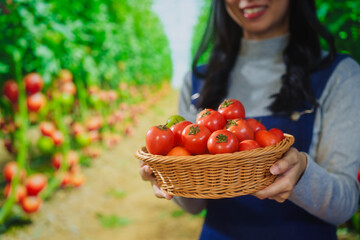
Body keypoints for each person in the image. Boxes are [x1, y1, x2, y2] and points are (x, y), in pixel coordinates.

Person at [140, 0, 360, 239]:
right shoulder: (197, 82)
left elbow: (345, 207)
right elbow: (195, 206)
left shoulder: (340, 76)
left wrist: (303, 174)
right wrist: (171, 178)